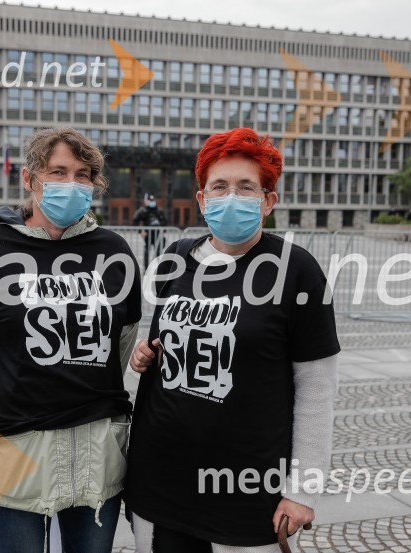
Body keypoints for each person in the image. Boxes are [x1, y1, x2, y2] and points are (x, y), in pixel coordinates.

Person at [124, 128, 340, 553]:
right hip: (161, 478)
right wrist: (142, 358)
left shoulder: (297, 271)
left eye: (246, 187)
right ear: (202, 199)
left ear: (268, 201)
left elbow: (317, 391)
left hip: (247, 489)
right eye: (219, 186)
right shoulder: (176, 259)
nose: (231, 196)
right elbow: (161, 348)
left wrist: (304, 490)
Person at [0, 127, 142, 553]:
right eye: (58, 172)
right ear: (30, 180)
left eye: (83, 175)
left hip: (96, 448)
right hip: (14, 449)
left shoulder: (115, 252)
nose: (71, 184)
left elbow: (120, 344)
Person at [132, 194, 167, 268]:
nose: (151, 202)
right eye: (149, 200)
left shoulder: (159, 210)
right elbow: (135, 220)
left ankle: (158, 269)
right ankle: (146, 269)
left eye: (152, 200)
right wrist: (140, 231)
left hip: (158, 235)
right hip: (148, 235)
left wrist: (164, 232)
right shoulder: (143, 211)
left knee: (158, 252)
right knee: (147, 252)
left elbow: (164, 222)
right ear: (145, 201)